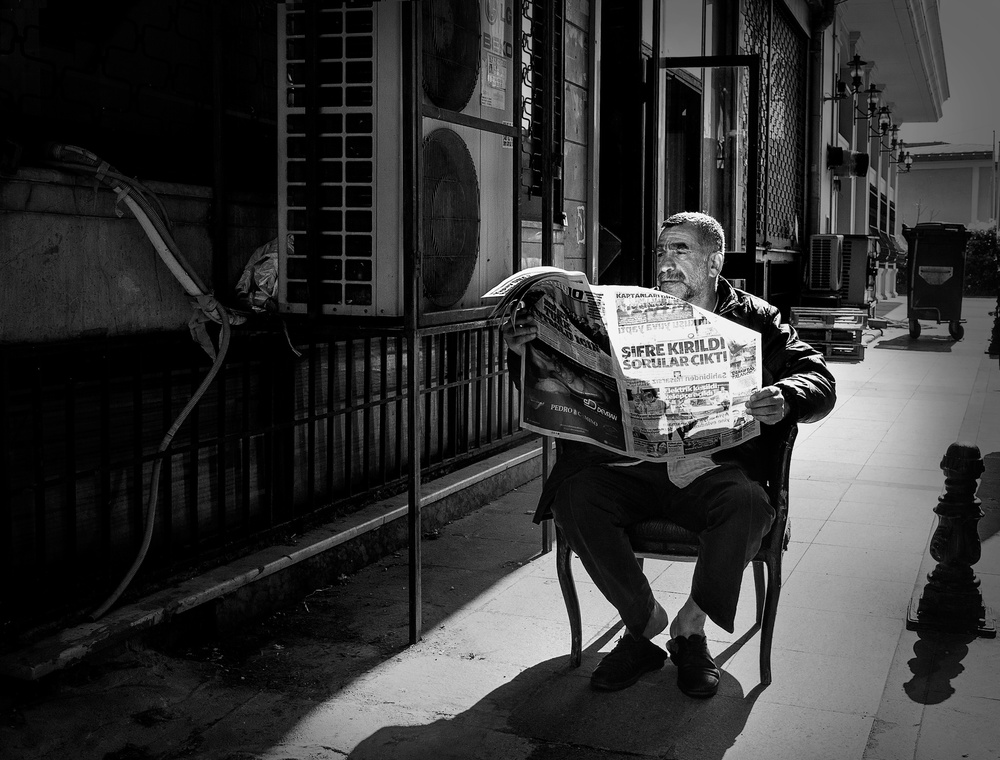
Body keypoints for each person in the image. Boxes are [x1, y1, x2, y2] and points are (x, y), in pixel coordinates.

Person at [501, 211, 836, 698]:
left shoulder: (757, 319)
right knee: (572, 497)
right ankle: (642, 625)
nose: (665, 263)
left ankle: (690, 629)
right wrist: (526, 352)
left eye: (681, 250)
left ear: (714, 262)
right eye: (661, 251)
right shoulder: (625, 313)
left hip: (710, 470)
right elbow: (562, 385)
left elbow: (819, 378)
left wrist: (786, 395)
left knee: (748, 505)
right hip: (630, 467)